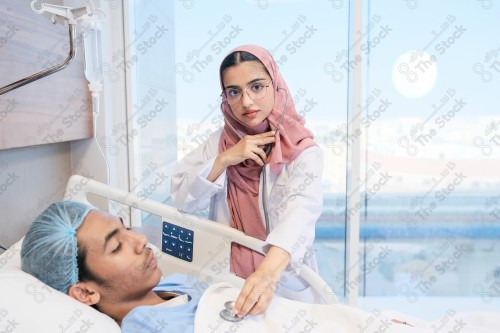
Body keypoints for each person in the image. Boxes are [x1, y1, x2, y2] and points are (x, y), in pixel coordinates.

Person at [20, 201, 500, 333]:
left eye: (127, 227)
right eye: (117, 244)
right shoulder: (147, 326)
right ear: (84, 293)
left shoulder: (173, 285)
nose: (141, 239)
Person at [170, 45, 324, 316]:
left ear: (276, 86)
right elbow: (183, 199)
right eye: (234, 92)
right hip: (226, 276)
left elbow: (299, 216)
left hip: (280, 279)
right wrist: (224, 160)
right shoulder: (219, 143)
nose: (247, 102)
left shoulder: (303, 151)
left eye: (256, 87)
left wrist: (265, 276)